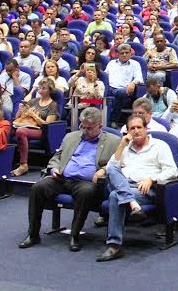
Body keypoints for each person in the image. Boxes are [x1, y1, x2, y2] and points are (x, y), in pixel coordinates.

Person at [20, 108, 121, 252]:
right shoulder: (71, 137)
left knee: (86, 192)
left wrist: (103, 170)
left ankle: (75, 235)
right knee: (38, 187)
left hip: (86, 183)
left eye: (89, 128)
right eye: (82, 127)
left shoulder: (114, 141)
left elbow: (118, 163)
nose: (85, 131)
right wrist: (54, 169)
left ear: (100, 126)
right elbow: (57, 157)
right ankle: (33, 233)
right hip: (62, 178)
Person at [95, 114, 178, 262]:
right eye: (132, 128)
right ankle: (132, 203)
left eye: (139, 127)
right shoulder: (125, 148)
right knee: (112, 169)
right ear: (127, 131)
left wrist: (152, 179)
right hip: (125, 185)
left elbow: (173, 171)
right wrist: (121, 145)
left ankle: (114, 246)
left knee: (115, 195)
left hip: (145, 189)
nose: (136, 131)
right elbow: (111, 169)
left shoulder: (160, 146)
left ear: (146, 129)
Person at [11, 78, 61, 177]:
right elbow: (17, 118)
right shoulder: (33, 101)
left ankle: (23, 165)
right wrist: (20, 110)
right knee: (8, 128)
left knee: (21, 131)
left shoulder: (53, 105)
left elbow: (47, 125)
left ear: (50, 90)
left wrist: (34, 115)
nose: (40, 90)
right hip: (26, 125)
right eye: (39, 88)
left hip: (42, 130)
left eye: (44, 88)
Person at [104, 44, 143, 126]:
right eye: (122, 53)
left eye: (127, 52)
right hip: (110, 89)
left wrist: (133, 83)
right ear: (117, 54)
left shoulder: (135, 64)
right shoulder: (111, 63)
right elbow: (105, 76)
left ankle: (113, 120)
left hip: (127, 90)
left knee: (120, 92)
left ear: (130, 53)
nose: (125, 55)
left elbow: (139, 78)